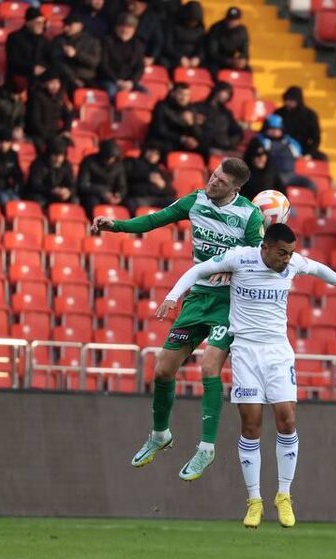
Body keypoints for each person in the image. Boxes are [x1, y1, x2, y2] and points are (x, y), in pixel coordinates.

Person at [155, 224, 336, 526]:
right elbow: (197, 271)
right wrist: (172, 297)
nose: (287, 259)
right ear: (266, 248)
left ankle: (284, 495)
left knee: (287, 418)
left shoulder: (292, 263)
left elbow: (321, 270)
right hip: (245, 353)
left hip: (277, 352)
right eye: (282, 253)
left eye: (290, 254)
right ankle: (254, 500)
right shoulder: (240, 258)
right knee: (251, 425)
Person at [91, 158, 263, 481]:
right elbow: (155, 220)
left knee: (209, 367)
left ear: (236, 189)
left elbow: (259, 264)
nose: (213, 183)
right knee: (163, 367)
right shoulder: (195, 202)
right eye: (213, 176)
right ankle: (160, 435)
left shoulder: (250, 217)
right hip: (197, 298)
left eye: (221, 182)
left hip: (228, 303)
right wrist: (115, 226)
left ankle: (206, 448)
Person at [255, 115, 315, 190]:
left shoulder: (291, 142)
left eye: (277, 129)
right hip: (272, 176)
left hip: (291, 175)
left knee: (310, 184)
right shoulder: (260, 141)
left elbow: (299, 155)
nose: (274, 131)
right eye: (271, 128)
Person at [146, 82, 203, 154]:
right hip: (164, 143)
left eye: (187, 95)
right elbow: (160, 130)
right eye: (181, 94)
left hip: (183, 145)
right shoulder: (162, 107)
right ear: (173, 94)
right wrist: (182, 139)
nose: (184, 98)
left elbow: (199, 136)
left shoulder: (191, 109)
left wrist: (191, 124)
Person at [98, 14, 147, 99]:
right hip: (110, 80)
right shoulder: (107, 42)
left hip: (129, 82)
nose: (124, 30)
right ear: (116, 28)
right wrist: (117, 81)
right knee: (112, 93)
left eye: (129, 28)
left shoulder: (138, 45)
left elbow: (140, 67)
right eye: (122, 27)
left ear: (134, 30)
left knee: (145, 94)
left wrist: (131, 82)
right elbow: (104, 64)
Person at [51, 13, 102, 93]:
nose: (66, 28)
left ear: (79, 26)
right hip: (66, 79)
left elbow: (94, 62)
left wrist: (76, 54)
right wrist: (73, 79)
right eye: (65, 25)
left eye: (70, 25)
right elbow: (58, 62)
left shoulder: (92, 41)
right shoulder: (59, 40)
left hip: (88, 78)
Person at [25, 71, 73, 152]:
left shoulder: (59, 97)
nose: (55, 86)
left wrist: (66, 130)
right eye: (52, 83)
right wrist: (50, 136)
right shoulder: (36, 98)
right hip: (40, 135)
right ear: (44, 83)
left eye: (57, 83)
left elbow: (67, 115)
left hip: (55, 133)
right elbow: (35, 121)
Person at [76, 138, 126, 213]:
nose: (110, 160)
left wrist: (119, 195)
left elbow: (122, 185)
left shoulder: (118, 165)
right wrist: (102, 192)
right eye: (108, 158)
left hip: (111, 195)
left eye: (113, 158)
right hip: (92, 194)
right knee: (92, 203)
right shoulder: (89, 161)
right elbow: (83, 185)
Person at [194, 80, 243, 155]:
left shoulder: (227, 113)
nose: (226, 96)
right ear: (217, 91)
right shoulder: (198, 107)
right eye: (225, 92)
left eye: (228, 94)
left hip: (224, 147)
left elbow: (237, 131)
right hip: (206, 147)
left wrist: (230, 143)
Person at [24, 137, 78, 206]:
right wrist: (52, 190)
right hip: (41, 194)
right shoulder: (38, 164)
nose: (58, 159)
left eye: (61, 156)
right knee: (39, 201)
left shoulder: (66, 165)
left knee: (74, 200)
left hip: (58, 195)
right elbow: (35, 185)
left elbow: (72, 184)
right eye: (55, 155)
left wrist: (68, 191)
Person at [6, 7, 51, 84]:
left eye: (43, 23)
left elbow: (50, 59)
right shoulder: (14, 38)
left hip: (42, 77)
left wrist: (43, 68)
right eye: (38, 23)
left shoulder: (44, 40)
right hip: (21, 77)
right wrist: (31, 68)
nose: (41, 26)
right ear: (28, 22)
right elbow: (13, 61)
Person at [276, 86, 323, 159]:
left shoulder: (310, 115)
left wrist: (309, 154)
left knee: (322, 158)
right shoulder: (278, 113)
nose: (288, 102)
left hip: (303, 148)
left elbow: (316, 138)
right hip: (281, 146)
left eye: (291, 100)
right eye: (286, 100)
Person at [123, 145, 175, 210]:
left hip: (157, 198)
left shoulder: (161, 170)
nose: (153, 155)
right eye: (151, 151)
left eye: (156, 153)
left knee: (175, 203)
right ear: (145, 151)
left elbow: (172, 192)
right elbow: (129, 174)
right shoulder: (133, 163)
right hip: (140, 198)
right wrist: (147, 176)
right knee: (131, 203)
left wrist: (163, 186)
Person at [204, 6, 249, 76]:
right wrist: (227, 61)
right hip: (217, 60)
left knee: (248, 70)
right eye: (230, 19)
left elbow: (245, 51)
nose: (232, 22)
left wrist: (242, 60)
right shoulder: (216, 29)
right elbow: (212, 53)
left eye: (235, 20)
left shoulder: (242, 31)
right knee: (213, 69)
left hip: (231, 59)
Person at [164, 1, 206, 70]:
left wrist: (198, 57)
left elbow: (202, 47)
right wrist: (180, 57)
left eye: (195, 21)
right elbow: (168, 46)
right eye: (191, 20)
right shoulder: (173, 25)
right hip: (175, 57)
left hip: (193, 59)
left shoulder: (200, 28)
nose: (192, 23)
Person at [128, 0, 166, 66]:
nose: (130, 7)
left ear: (143, 5)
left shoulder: (152, 19)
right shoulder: (125, 15)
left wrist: (151, 57)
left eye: (134, 4)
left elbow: (157, 41)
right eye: (130, 4)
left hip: (144, 55)